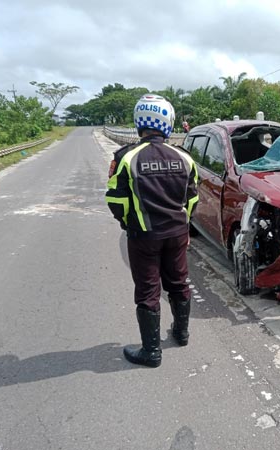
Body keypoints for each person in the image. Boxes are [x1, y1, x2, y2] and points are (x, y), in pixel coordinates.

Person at [106, 94, 199, 368]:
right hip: (177, 234)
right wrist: (184, 228)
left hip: (144, 236)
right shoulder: (184, 158)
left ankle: (152, 352)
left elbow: (115, 200)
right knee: (179, 283)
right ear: (168, 124)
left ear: (140, 122)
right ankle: (182, 334)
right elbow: (192, 199)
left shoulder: (126, 157)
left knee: (148, 291)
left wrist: (129, 223)